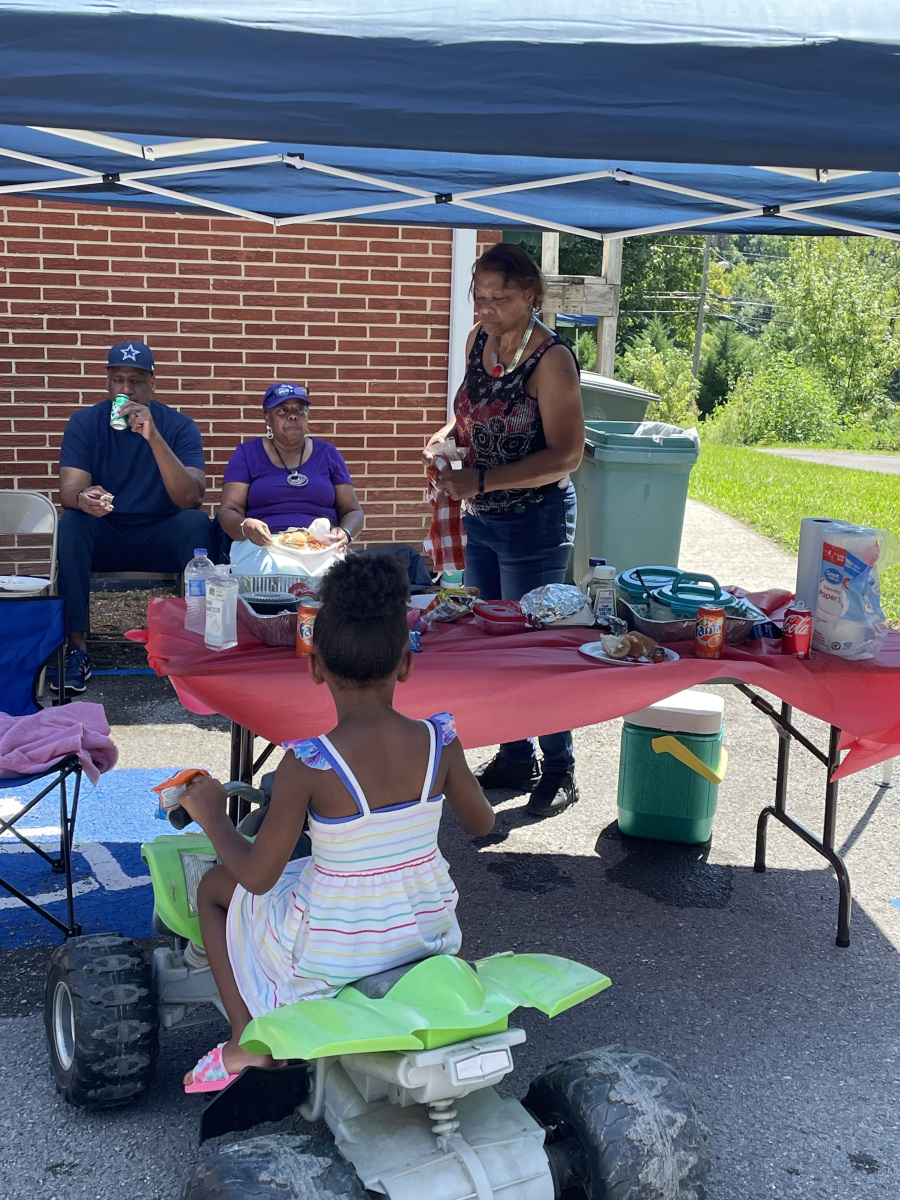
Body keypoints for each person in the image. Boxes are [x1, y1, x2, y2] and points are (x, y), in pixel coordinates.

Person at [176, 553, 493, 1092]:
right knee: (310, 874)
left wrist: (211, 815)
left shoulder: (308, 763)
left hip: (335, 947)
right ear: (405, 664)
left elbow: (257, 877)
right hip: (424, 930)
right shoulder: (441, 740)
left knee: (214, 888)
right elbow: (482, 823)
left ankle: (245, 1041)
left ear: (316, 666)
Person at [426, 243, 585, 818]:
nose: (486, 308)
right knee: (492, 643)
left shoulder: (551, 360)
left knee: (533, 646)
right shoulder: (478, 341)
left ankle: (560, 765)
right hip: (483, 518)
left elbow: (566, 455)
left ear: (531, 295)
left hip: (534, 519)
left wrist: (481, 478)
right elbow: (471, 413)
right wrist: (446, 438)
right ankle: (517, 755)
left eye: (501, 298)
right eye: (480, 296)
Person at [56, 341, 211, 693]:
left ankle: (194, 642)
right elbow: (69, 490)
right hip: (107, 533)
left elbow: (192, 498)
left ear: (152, 384)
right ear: (108, 382)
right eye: (118, 380)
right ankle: (76, 647)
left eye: (136, 381)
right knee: (73, 521)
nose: (126, 389)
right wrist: (84, 499)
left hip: (160, 534)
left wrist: (153, 437)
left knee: (197, 524)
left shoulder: (179, 426)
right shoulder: (85, 423)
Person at [217, 382, 364, 575]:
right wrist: (246, 526)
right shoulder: (247, 453)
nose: (293, 415)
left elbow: (353, 511)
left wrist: (346, 533)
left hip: (320, 546)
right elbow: (228, 511)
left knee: (340, 579)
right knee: (281, 573)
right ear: (267, 418)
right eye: (282, 410)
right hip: (264, 546)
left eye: (300, 410)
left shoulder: (328, 454)